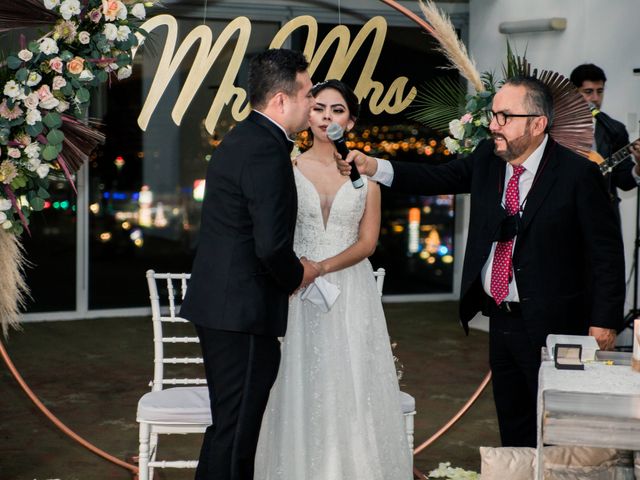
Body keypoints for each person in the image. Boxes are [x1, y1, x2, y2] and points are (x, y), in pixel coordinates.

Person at [339, 76, 625, 448]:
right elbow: (437, 176)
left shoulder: (578, 174)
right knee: (513, 425)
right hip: (500, 322)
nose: (492, 125)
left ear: (537, 124)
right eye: (494, 115)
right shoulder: (488, 161)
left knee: (557, 430)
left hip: (557, 324)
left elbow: (607, 254)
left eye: (505, 116)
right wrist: (375, 166)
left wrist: (604, 321)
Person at [254, 79, 412, 479]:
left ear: (351, 120)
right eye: (320, 107)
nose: (327, 116)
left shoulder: (367, 175)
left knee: (352, 383)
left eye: (337, 110)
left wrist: (321, 268)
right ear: (308, 115)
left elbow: (369, 242)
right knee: (295, 381)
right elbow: (275, 235)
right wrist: (297, 271)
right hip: (296, 291)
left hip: (349, 290)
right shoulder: (287, 168)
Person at [179, 49, 320, 480]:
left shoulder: (243, 138)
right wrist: (300, 274)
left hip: (225, 307)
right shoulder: (266, 149)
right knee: (238, 433)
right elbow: (271, 245)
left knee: (228, 427)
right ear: (281, 100)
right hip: (242, 312)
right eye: (308, 93)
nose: (312, 102)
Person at [570, 63, 640, 222]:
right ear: (573, 93)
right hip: (565, 217)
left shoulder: (614, 130)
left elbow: (624, 181)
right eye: (588, 92)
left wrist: (639, 167)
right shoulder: (555, 127)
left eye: (599, 91)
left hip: (603, 216)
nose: (595, 98)